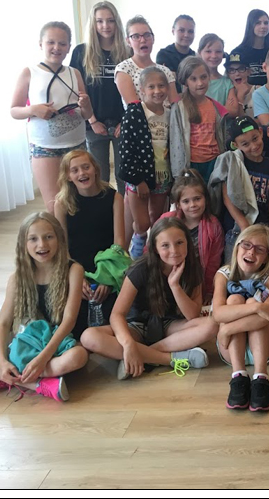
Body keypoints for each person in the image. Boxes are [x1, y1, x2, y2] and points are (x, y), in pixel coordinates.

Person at [80, 218, 218, 380]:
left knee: (212, 324)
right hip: (136, 326)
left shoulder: (193, 267)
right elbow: (117, 314)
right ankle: (169, 359)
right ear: (155, 248)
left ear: (188, 243)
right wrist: (128, 343)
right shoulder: (140, 269)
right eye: (165, 245)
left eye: (179, 242)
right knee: (88, 337)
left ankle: (142, 356)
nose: (174, 250)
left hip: (170, 327)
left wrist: (175, 285)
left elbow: (192, 315)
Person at [0, 213, 88, 402]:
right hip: (27, 343)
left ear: (59, 239)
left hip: (60, 344)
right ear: (23, 244)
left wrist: (43, 358)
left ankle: (3, 378)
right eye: (33, 239)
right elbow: (3, 323)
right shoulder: (17, 279)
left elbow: (69, 320)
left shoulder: (73, 270)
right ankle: (38, 384)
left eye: (48, 237)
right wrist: (2, 362)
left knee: (79, 356)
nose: (42, 245)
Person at [10, 21, 94, 212]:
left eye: (62, 43)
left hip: (77, 145)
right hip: (45, 148)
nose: (57, 47)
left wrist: (86, 105)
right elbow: (14, 110)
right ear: (41, 44)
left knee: (80, 201)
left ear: (69, 47)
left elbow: (86, 114)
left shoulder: (74, 73)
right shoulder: (29, 72)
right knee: (55, 205)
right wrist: (33, 110)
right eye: (51, 42)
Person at [54, 149, 125, 335]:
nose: (82, 173)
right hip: (76, 269)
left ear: (95, 169)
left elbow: (119, 243)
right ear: (68, 176)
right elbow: (62, 247)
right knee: (74, 325)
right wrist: (77, 279)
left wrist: (107, 279)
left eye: (86, 167)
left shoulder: (114, 197)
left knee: (113, 321)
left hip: (107, 268)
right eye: (75, 170)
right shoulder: (62, 203)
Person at [214, 225, 269, 412]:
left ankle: (261, 377)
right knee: (234, 299)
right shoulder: (223, 274)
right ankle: (238, 376)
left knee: (252, 298)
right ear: (237, 247)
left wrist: (227, 329)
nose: (251, 252)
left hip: (262, 348)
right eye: (247, 245)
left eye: (260, 249)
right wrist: (256, 307)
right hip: (231, 349)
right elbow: (218, 313)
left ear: (267, 257)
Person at [70, 1, 129, 184]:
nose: (105, 26)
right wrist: (93, 121)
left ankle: (123, 205)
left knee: (124, 176)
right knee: (98, 178)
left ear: (117, 23)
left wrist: (126, 121)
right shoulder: (81, 52)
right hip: (93, 125)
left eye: (110, 20)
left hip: (123, 124)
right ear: (93, 24)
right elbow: (78, 90)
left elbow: (135, 90)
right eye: (100, 21)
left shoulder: (127, 51)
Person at [119, 66, 173, 257]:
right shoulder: (134, 113)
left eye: (161, 86)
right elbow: (127, 149)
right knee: (142, 223)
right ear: (142, 90)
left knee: (155, 219)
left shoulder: (170, 113)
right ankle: (137, 249)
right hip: (139, 177)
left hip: (162, 175)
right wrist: (138, 180)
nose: (157, 91)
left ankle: (151, 255)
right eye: (151, 87)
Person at [159, 169, 224, 305]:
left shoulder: (213, 226)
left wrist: (209, 291)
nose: (193, 205)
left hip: (196, 284)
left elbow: (213, 263)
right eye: (186, 201)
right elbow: (150, 251)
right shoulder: (166, 221)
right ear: (178, 204)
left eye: (197, 199)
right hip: (165, 279)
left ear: (205, 199)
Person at [169, 57, 227, 184]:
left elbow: (221, 136)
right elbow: (175, 141)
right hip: (191, 165)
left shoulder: (215, 106)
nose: (200, 83)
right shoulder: (179, 108)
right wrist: (179, 174)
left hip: (214, 163)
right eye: (193, 79)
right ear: (185, 82)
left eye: (203, 77)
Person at [223, 116, 269, 235]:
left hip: (262, 228)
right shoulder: (233, 164)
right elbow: (227, 198)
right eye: (245, 144)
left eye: (255, 139)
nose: (254, 146)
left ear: (261, 132)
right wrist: (244, 225)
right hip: (237, 229)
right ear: (235, 145)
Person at [115, 15, 179, 105]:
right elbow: (133, 106)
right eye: (136, 36)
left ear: (153, 38)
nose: (143, 40)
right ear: (128, 41)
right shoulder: (124, 69)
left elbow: (175, 104)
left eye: (147, 35)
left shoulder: (165, 70)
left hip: (168, 114)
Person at [230, 8, 269, 87]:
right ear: (250, 25)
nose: (263, 26)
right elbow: (233, 82)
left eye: (266, 23)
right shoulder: (237, 53)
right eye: (258, 23)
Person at [156, 14, 196, 93]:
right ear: (173, 31)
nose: (186, 35)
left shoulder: (195, 57)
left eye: (190, 31)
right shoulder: (164, 55)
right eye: (181, 30)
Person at [197, 33, 233, 104]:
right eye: (208, 51)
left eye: (218, 52)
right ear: (199, 53)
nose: (214, 56)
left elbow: (233, 109)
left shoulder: (227, 82)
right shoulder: (193, 80)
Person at [224, 53, 256, 118]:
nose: (237, 74)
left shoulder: (258, 91)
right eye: (232, 70)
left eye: (241, 69)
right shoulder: (226, 94)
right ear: (227, 74)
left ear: (249, 71)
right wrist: (240, 97)